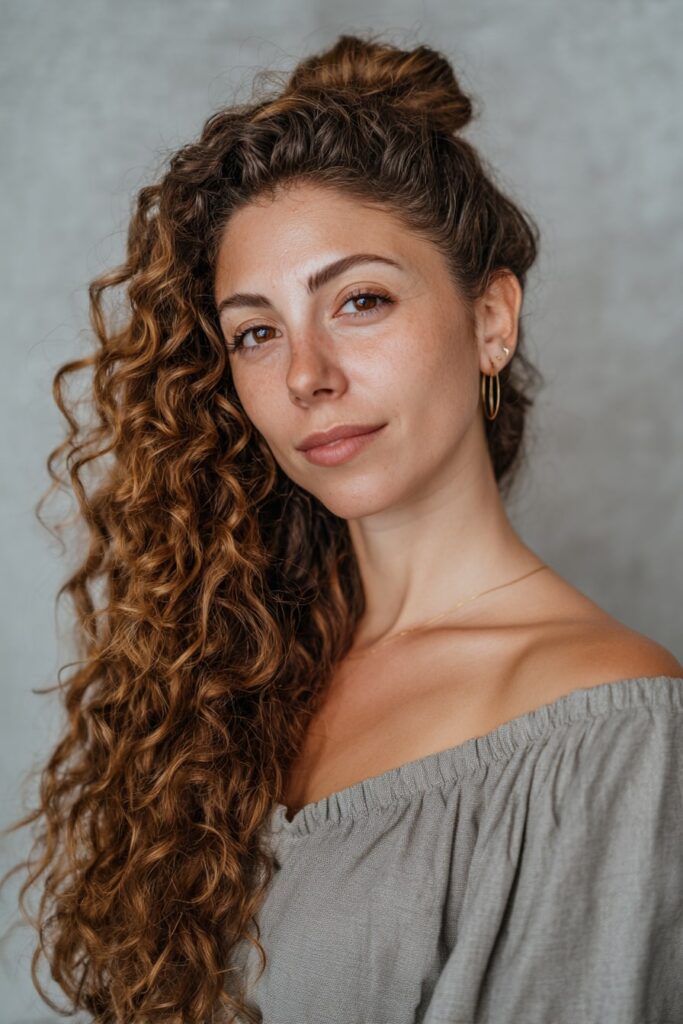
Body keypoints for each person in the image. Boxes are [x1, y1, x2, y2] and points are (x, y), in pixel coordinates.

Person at [2, 31, 681, 1024]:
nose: (305, 376)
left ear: (490, 320)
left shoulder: (616, 728)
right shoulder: (230, 672)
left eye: (359, 301)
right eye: (256, 332)